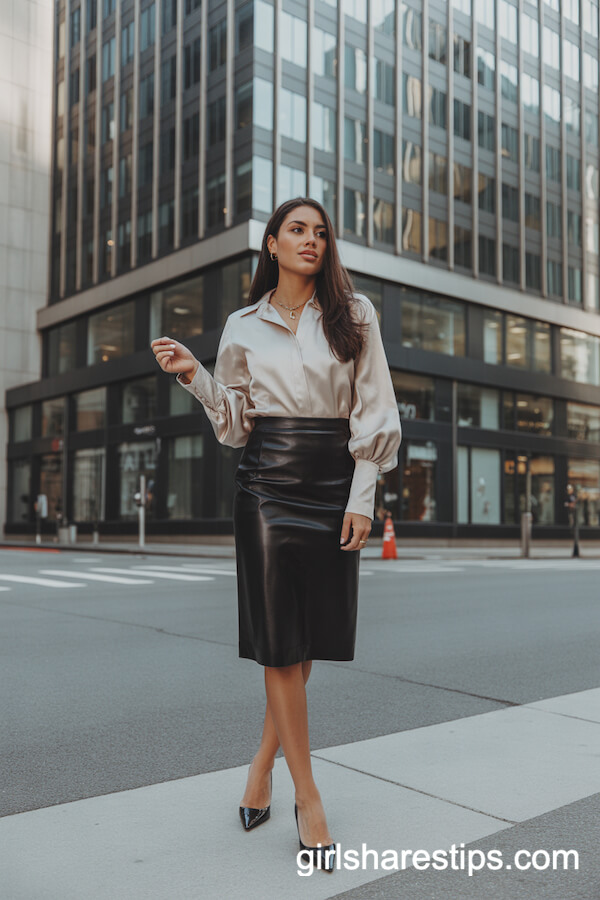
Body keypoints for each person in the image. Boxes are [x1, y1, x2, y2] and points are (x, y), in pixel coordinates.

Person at [151, 197, 402, 873]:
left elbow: (375, 409)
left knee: (308, 638)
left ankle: (261, 766)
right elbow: (235, 424)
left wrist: (362, 497)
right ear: (271, 243)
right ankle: (308, 794)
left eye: (321, 232)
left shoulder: (356, 314)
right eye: (297, 230)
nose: (311, 240)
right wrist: (195, 377)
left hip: (333, 483)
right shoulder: (241, 324)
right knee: (278, 643)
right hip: (265, 488)